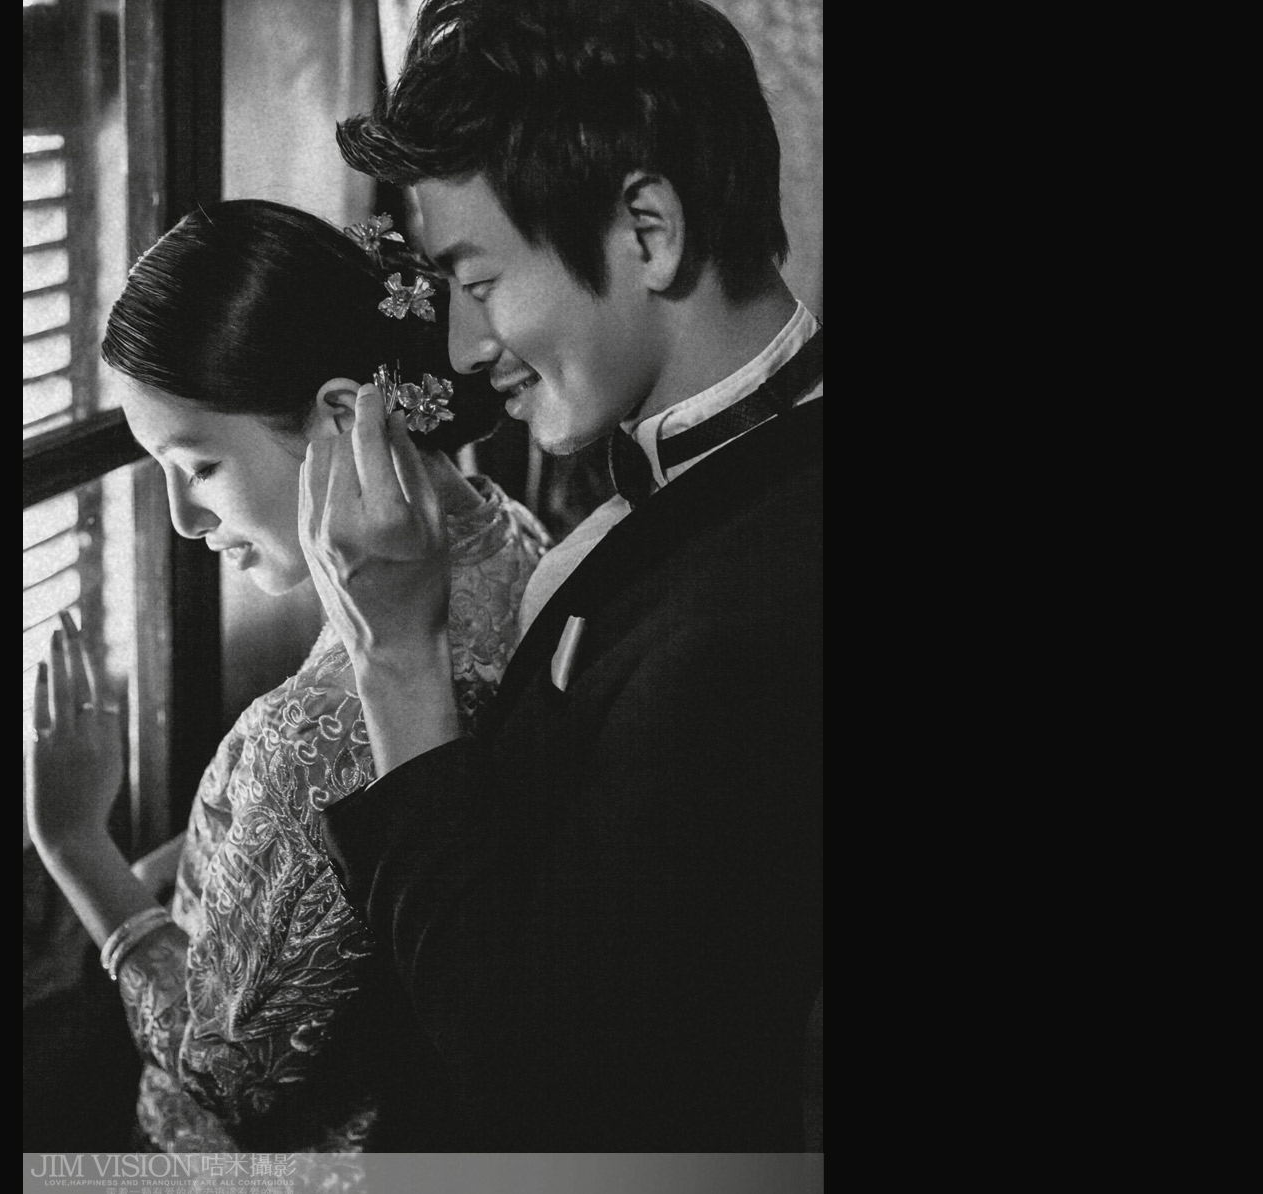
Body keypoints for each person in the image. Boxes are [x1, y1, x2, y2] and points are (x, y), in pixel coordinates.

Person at [298, 0, 823, 1150]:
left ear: (647, 232)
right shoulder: (728, 476)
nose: (462, 349)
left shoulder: (747, 627)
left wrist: (398, 657)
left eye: (478, 282)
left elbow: (557, 1100)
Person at [25, 198, 548, 1153]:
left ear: (341, 416)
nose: (183, 520)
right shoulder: (506, 530)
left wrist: (73, 842)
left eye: (198, 467)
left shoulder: (317, 732)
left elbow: (225, 1072)